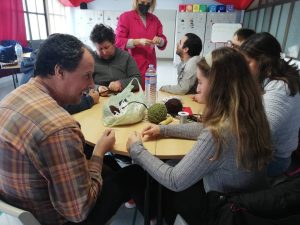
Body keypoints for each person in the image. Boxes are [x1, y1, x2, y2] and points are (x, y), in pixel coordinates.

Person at [125, 47, 273, 225]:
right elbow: (204, 128)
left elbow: (174, 180)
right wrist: (164, 130)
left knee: (156, 177)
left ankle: (158, 217)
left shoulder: (218, 134)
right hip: (251, 203)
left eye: (201, 82)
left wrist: (137, 150)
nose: (197, 87)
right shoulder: (251, 114)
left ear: (218, 86)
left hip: (224, 211)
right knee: (174, 165)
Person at [0, 34, 128, 225]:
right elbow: (78, 211)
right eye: (86, 76)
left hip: (18, 206)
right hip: (53, 217)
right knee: (133, 174)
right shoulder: (60, 128)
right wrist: (99, 153)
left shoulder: (9, 100)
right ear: (59, 71)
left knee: (106, 164)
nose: (91, 84)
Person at [240, 32, 300, 177]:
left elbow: (257, 134)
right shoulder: (267, 80)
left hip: (272, 160)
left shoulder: (280, 88)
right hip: (263, 153)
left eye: (247, 62)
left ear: (264, 61)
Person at [115, 0, 167, 88]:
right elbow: (118, 41)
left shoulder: (154, 19)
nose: (145, 5)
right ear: (136, 1)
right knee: (133, 93)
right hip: (132, 65)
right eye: (142, 2)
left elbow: (163, 40)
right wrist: (137, 42)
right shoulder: (126, 17)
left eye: (148, 3)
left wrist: (160, 40)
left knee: (149, 94)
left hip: (150, 67)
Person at [90, 24, 142, 96]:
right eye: (100, 49)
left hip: (123, 98)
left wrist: (121, 83)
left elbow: (138, 80)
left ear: (113, 43)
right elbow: (83, 84)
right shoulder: (90, 59)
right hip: (98, 99)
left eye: (106, 47)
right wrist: (97, 88)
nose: (104, 52)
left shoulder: (125, 56)